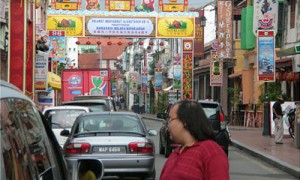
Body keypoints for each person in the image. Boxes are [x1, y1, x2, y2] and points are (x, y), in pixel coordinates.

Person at [160, 100, 229, 180]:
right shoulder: (175, 154)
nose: (169, 124)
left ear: (185, 121)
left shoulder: (211, 152)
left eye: (171, 119)